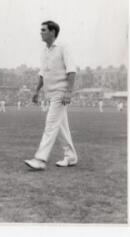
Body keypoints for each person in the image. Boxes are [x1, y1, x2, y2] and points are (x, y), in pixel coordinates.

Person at [24, 20, 78, 170]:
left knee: (50, 124)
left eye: (43, 30)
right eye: (41, 30)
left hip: (60, 93)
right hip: (50, 93)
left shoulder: (63, 48)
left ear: (53, 32)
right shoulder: (44, 52)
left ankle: (40, 160)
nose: (40, 33)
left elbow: (72, 70)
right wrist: (36, 91)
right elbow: (43, 74)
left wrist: (68, 92)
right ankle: (71, 156)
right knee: (60, 127)